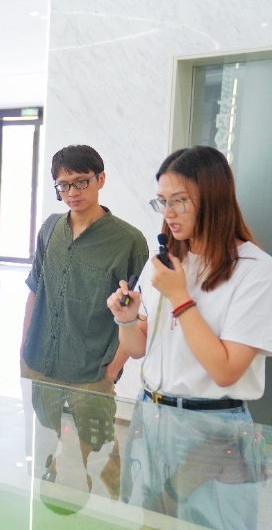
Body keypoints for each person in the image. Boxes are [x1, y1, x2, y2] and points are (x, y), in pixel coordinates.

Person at [107, 146, 272, 527]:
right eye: (162, 201)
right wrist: (127, 320)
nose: (168, 213)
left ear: (213, 199)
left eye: (179, 201)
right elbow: (138, 349)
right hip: (150, 414)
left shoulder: (255, 270)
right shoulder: (167, 262)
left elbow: (226, 370)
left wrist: (180, 298)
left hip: (214, 430)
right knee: (148, 519)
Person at [20, 145, 148, 494]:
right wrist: (23, 348)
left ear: (100, 179)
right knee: (47, 449)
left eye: (81, 182)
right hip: (41, 363)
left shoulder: (129, 240)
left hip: (92, 371)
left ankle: (98, 510)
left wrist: (112, 370)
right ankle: (50, 504)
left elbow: (137, 312)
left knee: (96, 459)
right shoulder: (50, 228)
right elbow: (35, 289)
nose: (72, 192)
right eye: (63, 185)